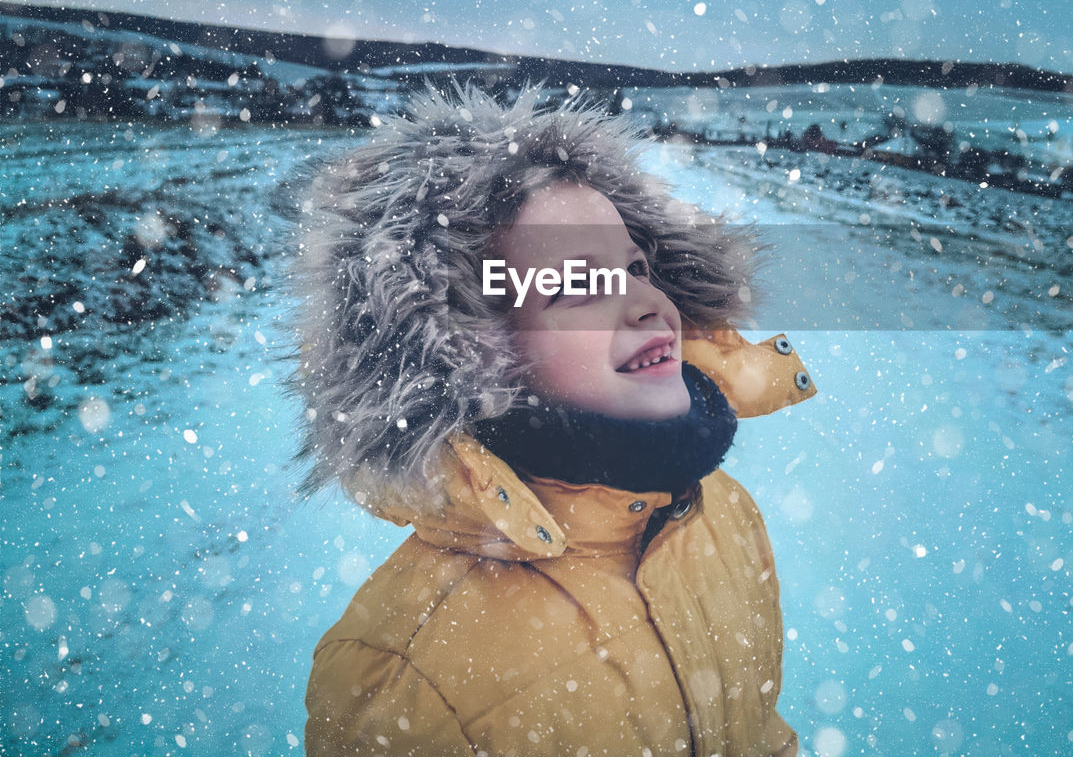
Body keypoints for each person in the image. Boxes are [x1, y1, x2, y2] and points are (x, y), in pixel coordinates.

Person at [284, 85, 817, 756]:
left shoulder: (721, 515)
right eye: (577, 285)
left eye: (636, 268)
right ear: (477, 350)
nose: (647, 305)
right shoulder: (413, 677)